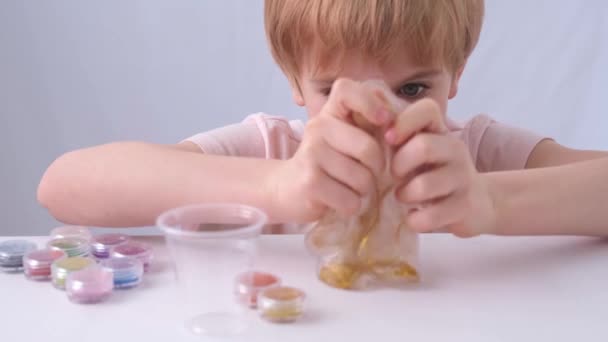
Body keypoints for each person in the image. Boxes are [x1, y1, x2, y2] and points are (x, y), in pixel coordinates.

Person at [38, 0, 608, 237]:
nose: (378, 116)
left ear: (456, 76)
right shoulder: (277, 151)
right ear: (292, 82)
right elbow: (64, 185)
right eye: (336, 89)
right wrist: (276, 187)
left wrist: (489, 202)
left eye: (413, 88)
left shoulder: (477, 154)